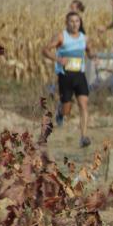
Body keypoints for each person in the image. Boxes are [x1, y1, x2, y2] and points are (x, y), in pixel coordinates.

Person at [42, 11, 96, 147]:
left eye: (77, 21)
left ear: (80, 23)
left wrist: (93, 57)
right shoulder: (61, 37)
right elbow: (45, 50)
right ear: (67, 23)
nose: (74, 24)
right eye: (71, 21)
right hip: (65, 76)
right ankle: (60, 111)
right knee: (67, 110)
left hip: (79, 75)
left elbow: (89, 51)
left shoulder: (84, 38)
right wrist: (58, 59)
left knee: (84, 105)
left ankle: (83, 137)